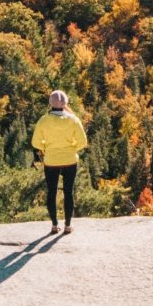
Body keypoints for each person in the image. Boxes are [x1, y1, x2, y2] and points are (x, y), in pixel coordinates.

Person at [30, 88, 87, 233]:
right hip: (69, 160)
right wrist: (71, 149)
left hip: (51, 161)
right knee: (69, 192)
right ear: (66, 103)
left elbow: (35, 142)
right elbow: (83, 142)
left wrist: (46, 148)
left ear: (50, 103)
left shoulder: (43, 121)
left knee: (51, 192)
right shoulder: (73, 120)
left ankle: (54, 225)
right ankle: (68, 225)